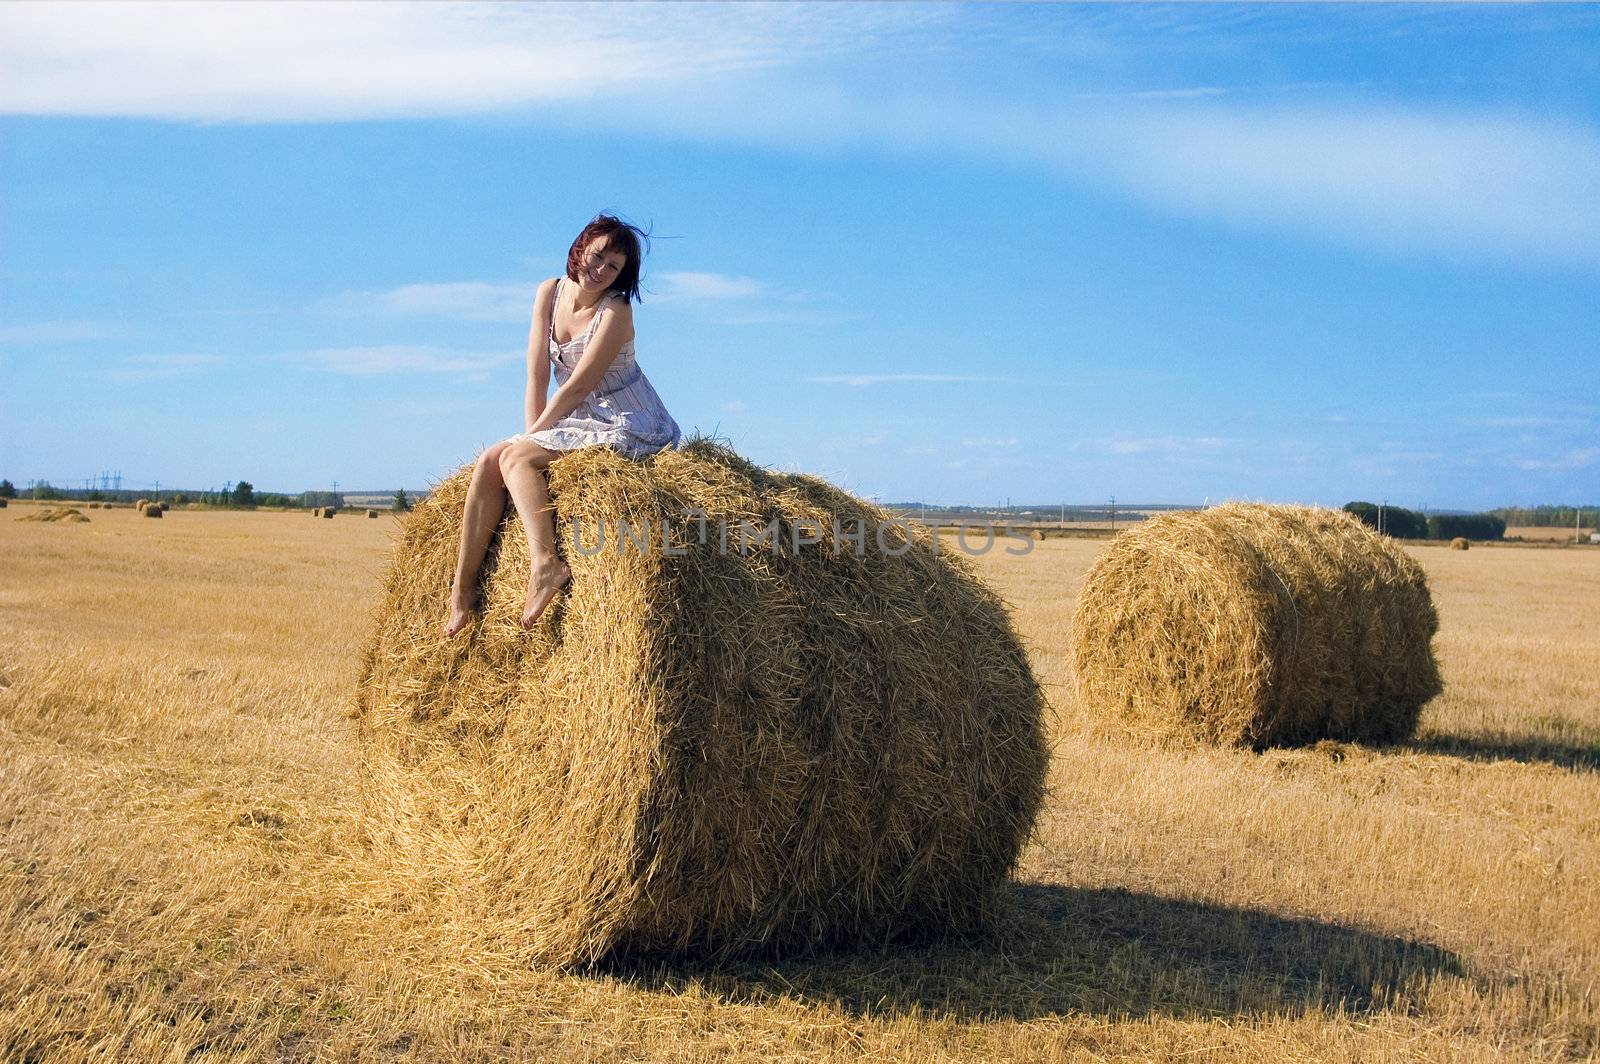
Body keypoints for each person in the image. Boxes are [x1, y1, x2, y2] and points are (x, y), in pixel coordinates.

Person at [444, 214, 681, 637]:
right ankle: (461, 594)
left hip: (624, 418)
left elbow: (575, 388)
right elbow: (536, 374)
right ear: (581, 246)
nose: (602, 269)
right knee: (489, 462)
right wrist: (531, 430)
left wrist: (531, 439)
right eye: (599, 255)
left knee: (517, 459)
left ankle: (546, 565)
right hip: (573, 416)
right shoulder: (548, 292)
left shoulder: (617, 311)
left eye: (614, 267)